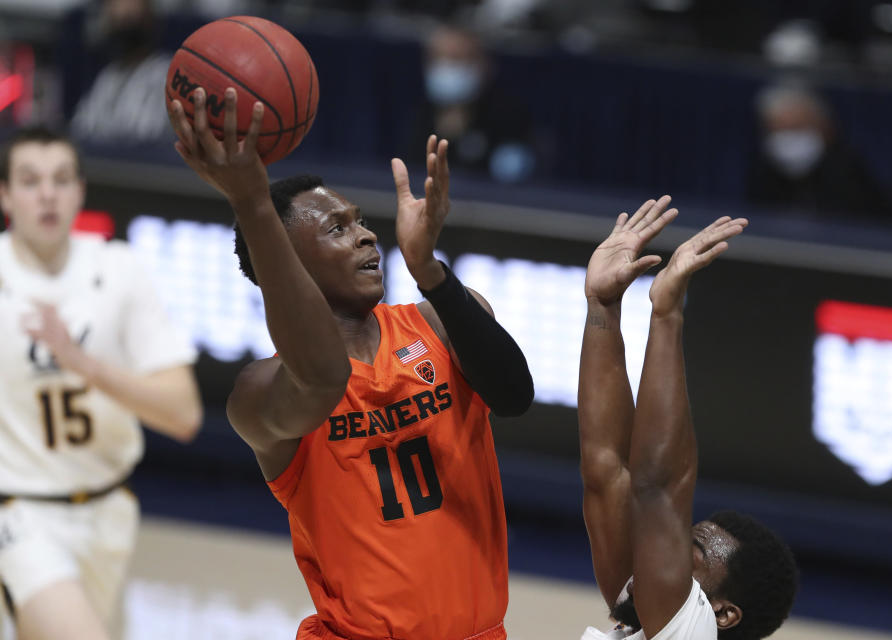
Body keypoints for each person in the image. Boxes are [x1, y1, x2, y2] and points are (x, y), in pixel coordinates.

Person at [167, 87, 533, 640]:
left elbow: (514, 396)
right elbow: (320, 377)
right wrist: (253, 203)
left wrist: (430, 271)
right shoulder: (261, 393)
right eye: (336, 228)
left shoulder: (438, 324)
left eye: (359, 220)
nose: (366, 234)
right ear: (286, 264)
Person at [0, 126, 202, 640]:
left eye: (61, 179)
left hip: (109, 511)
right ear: (5, 195)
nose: (47, 193)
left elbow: (183, 415)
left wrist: (82, 363)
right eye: (29, 181)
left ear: (80, 191)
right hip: (19, 514)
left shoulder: (120, 270)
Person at [578, 198, 797, 639]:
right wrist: (603, 305)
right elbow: (606, 469)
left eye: (687, 551)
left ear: (722, 614)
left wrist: (667, 315)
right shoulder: (647, 615)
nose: (659, 550)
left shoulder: (693, 633)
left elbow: (657, 490)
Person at [411, 24, 538, 184]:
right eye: (437, 59)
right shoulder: (421, 113)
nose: (445, 68)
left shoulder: (508, 116)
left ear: (482, 65)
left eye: (455, 59)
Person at [745, 82, 891, 221]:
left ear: (824, 127)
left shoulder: (847, 171)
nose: (789, 139)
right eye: (779, 130)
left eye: (796, 128)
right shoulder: (763, 171)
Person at [70, 0, 172, 145]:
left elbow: (145, 138)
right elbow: (81, 129)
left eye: (130, 10)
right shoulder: (107, 75)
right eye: (113, 7)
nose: (121, 13)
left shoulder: (167, 73)